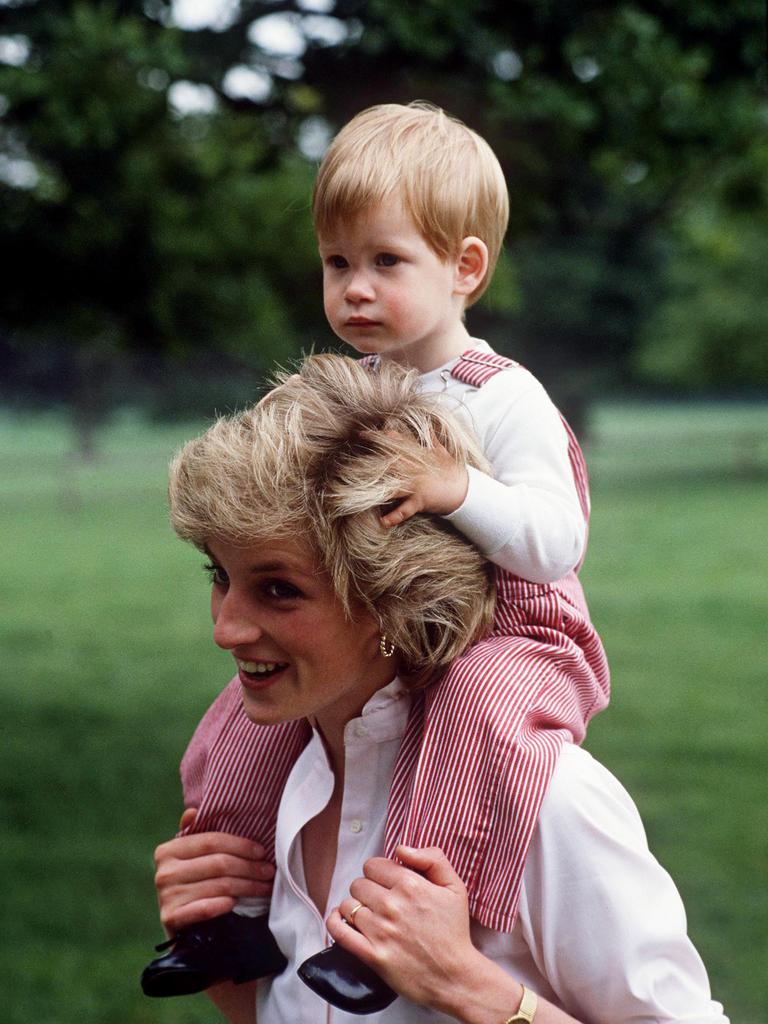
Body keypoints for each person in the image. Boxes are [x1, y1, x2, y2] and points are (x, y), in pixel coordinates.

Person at [141, 101, 612, 1007]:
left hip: (516, 634)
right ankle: (227, 920)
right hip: (394, 625)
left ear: (464, 267)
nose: (354, 288)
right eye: (337, 263)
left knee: (475, 709)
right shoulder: (357, 383)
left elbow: (557, 544)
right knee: (233, 729)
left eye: (385, 262)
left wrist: (456, 490)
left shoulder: (499, 393)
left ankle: (391, 923)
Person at [151, 354, 728, 1023]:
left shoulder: (544, 801)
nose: (227, 628)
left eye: (279, 590)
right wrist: (220, 948)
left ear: (394, 600)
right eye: (219, 574)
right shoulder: (275, 784)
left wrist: (471, 988)